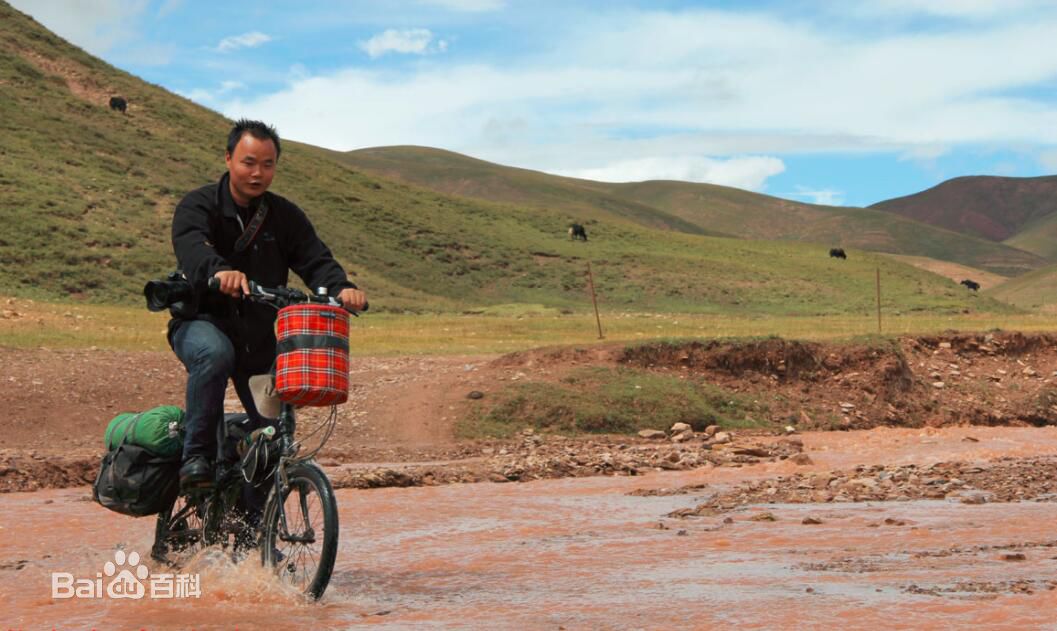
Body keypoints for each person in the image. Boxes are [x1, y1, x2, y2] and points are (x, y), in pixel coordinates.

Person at [169, 119, 366, 491]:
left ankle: (253, 535)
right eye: (248, 162)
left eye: (267, 164)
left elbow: (315, 259)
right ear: (228, 158)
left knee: (272, 443)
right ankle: (196, 456)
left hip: (257, 338)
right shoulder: (198, 205)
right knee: (214, 354)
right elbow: (192, 248)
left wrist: (342, 288)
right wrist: (220, 271)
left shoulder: (285, 216)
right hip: (200, 322)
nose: (257, 173)